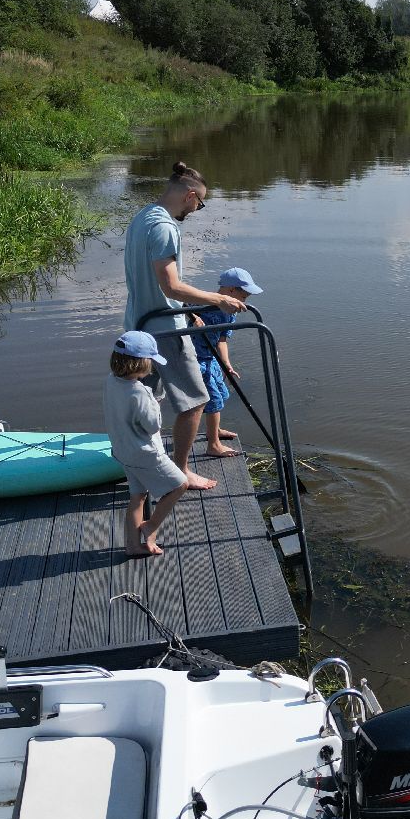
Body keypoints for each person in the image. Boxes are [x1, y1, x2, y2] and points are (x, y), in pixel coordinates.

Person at [123, 162, 246, 491]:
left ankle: (140, 462)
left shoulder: (142, 217)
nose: (197, 209)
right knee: (195, 400)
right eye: (199, 203)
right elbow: (171, 286)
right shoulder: (165, 228)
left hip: (139, 325)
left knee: (145, 400)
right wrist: (215, 300)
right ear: (190, 195)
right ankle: (180, 471)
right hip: (164, 330)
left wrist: (190, 311)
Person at [103, 331, 187, 557]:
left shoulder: (111, 381)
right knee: (180, 485)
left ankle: (132, 546)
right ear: (141, 363)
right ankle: (151, 525)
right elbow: (152, 426)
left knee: (137, 497)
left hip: (123, 451)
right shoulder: (140, 393)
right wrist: (154, 402)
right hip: (145, 454)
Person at [191, 267, 263, 458]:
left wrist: (227, 364)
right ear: (231, 290)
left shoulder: (231, 311)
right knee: (213, 399)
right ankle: (213, 445)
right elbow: (180, 304)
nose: (244, 301)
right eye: (244, 296)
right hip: (196, 359)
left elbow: (222, 339)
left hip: (212, 358)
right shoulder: (202, 301)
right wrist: (192, 316)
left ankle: (214, 430)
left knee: (221, 395)